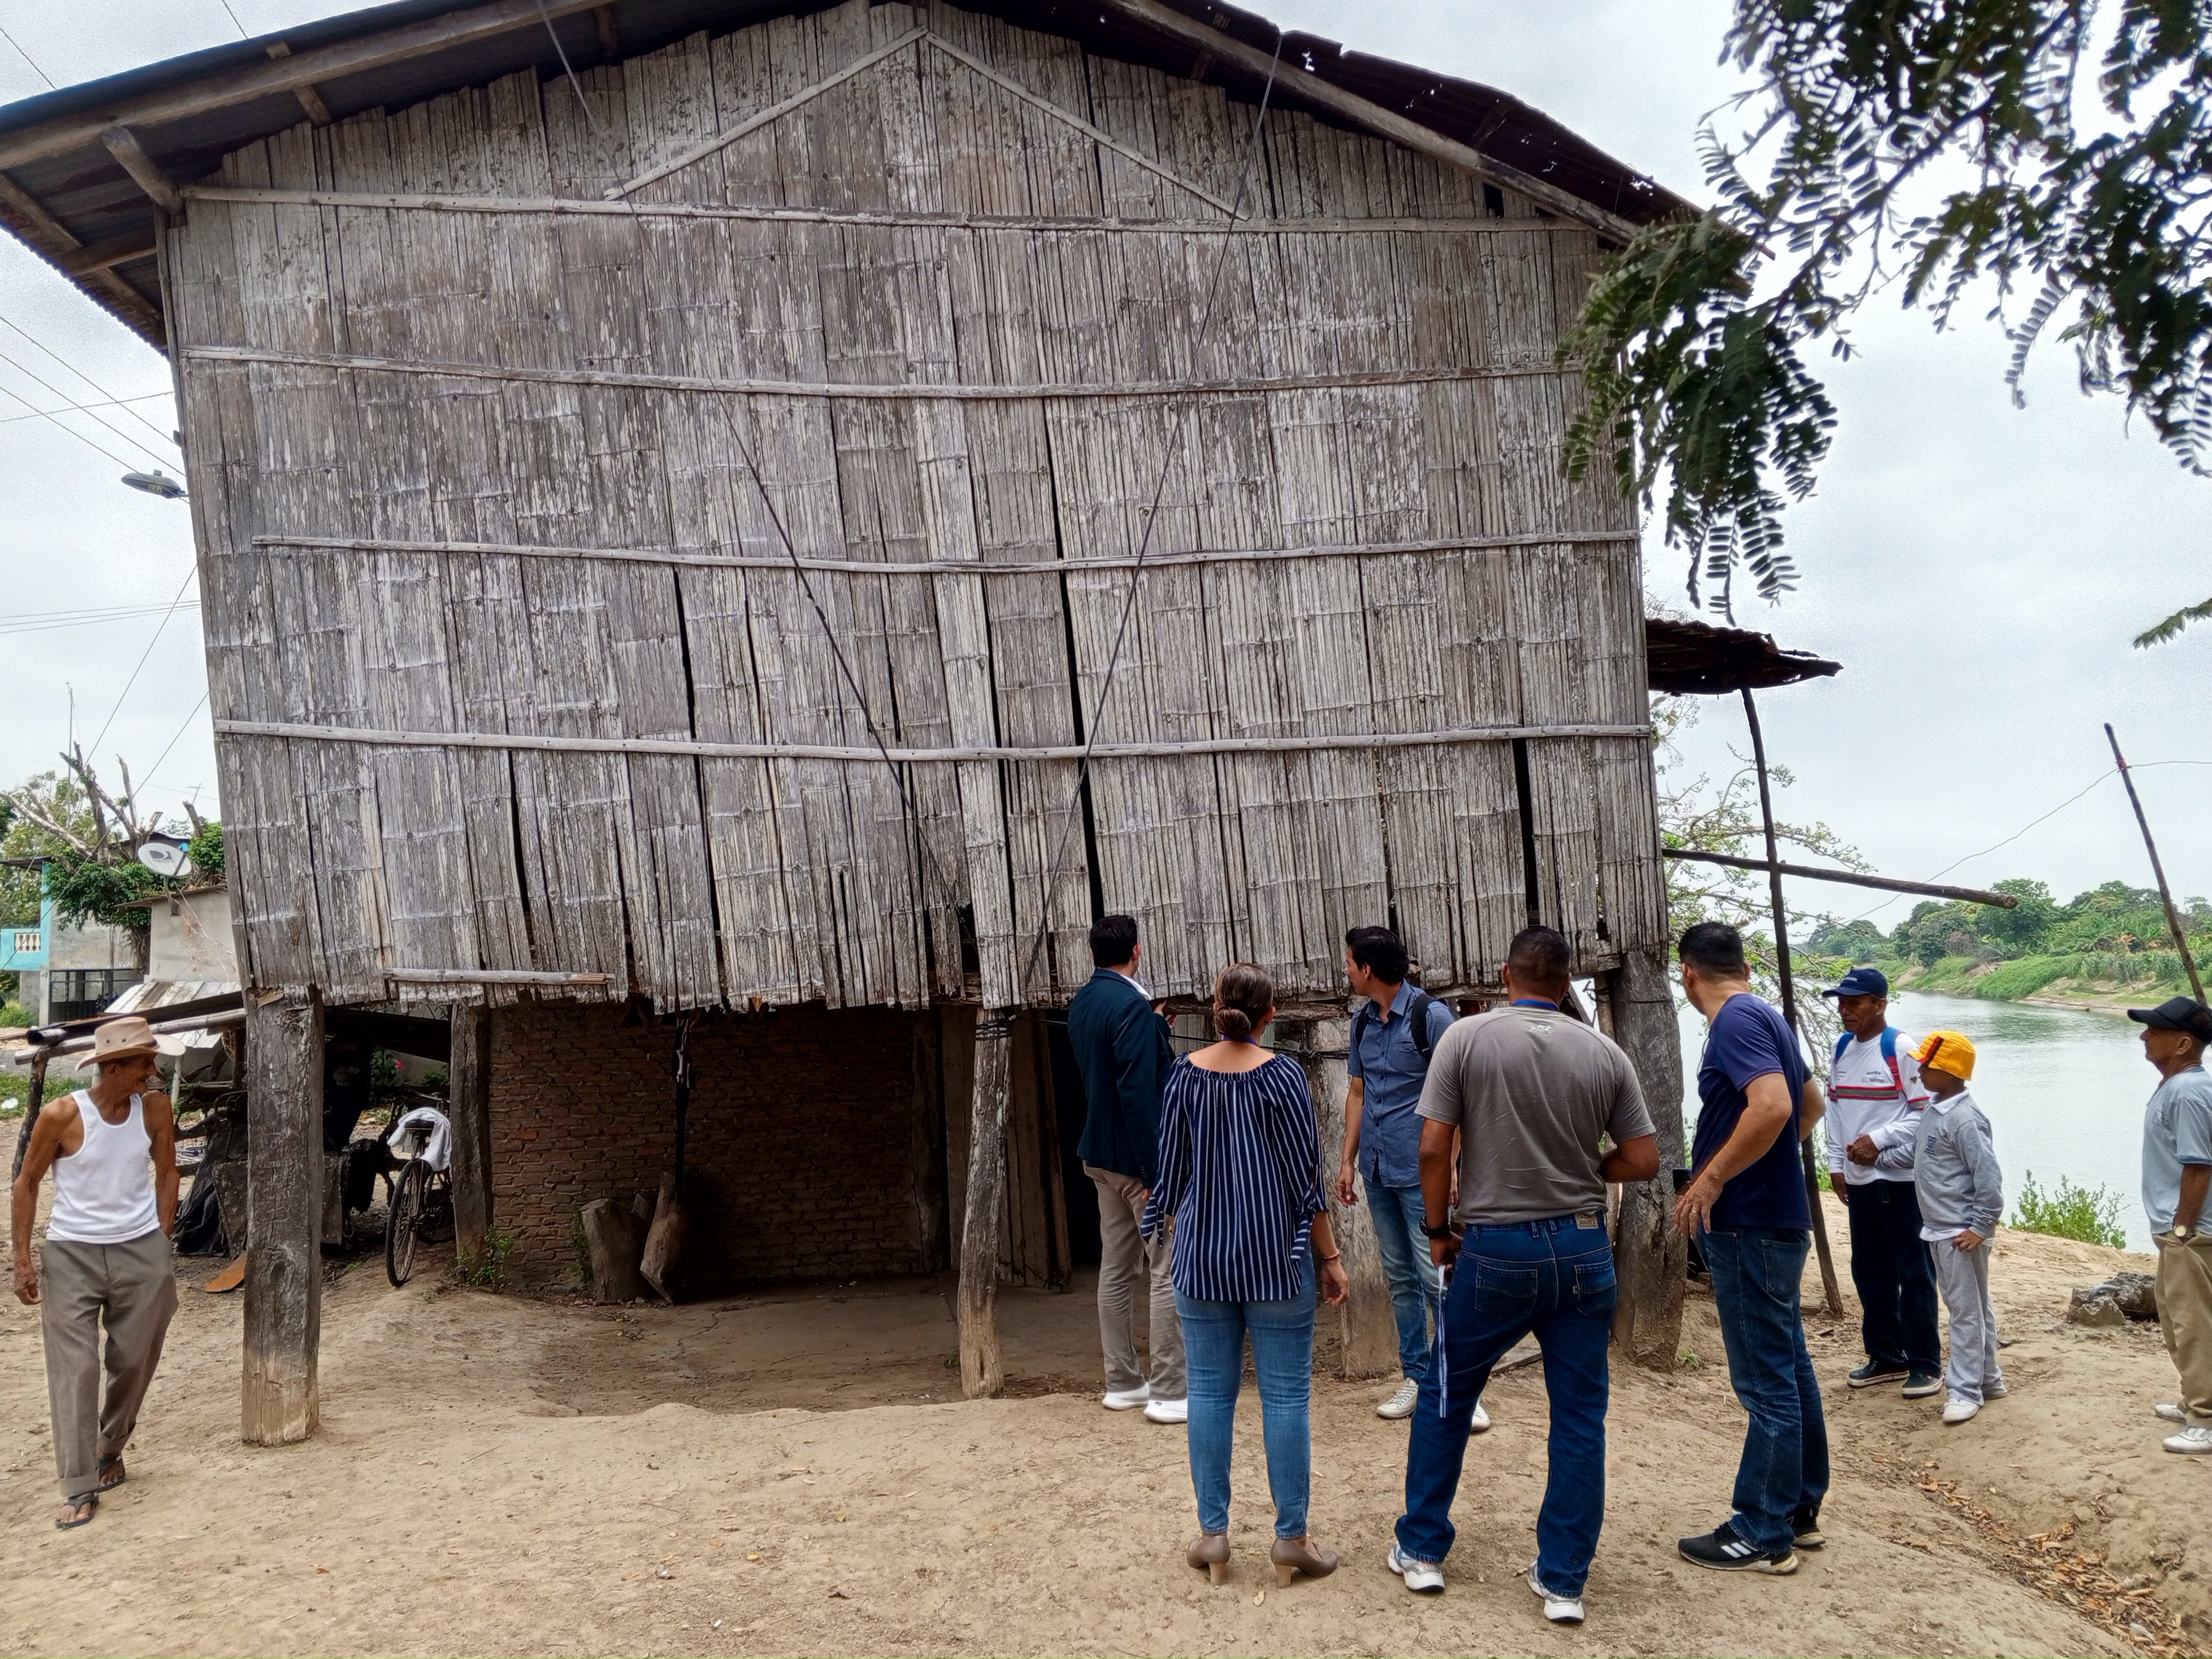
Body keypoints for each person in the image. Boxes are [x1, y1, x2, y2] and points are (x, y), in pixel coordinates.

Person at [1386, 926, 1659, 1626]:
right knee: (1578, 1416)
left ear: (1504, 975)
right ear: (1566, 984)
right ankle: (1563, 1581)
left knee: (1447, 1395)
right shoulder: (1603, 1052)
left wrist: (1437, 1232)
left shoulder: (1465, 1039)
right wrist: (1586, 1169)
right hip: (1582, 1250)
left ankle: (1421, 1550)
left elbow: (1431, 1149)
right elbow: (1642, 1158)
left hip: (1495, 1249)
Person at [1142, 962, 1350, 1588]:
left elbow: (1169, 1173)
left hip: (1201, 1258)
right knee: (1285, 1397)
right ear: (1270, 1014)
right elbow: (1305, 1183)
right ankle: (1291, 1539)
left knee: (1208, 1394)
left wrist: (1173, 1236)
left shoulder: (1183, 1075)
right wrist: (1330, 1258)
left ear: (1214, 1009)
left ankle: (1212, 1536)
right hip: (1277, 1257)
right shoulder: (1283, 1076)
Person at [1673, 921, 1829, 1575]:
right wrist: (1764, 1167)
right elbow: (1810, 1104)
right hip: (1774, 1219)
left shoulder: (1734, 1022)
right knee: (1788, 1366)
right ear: (1741, 965)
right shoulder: (1766, 1016)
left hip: (1748, 1225)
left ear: (1687, 974)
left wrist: (1713, 1179)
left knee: (1764, 1381)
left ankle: (1762, 1529)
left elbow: (1771, 1107)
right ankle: (1797, 1508)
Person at [10, 1016, 183, 1529]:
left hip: (140, 1250)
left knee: (134, 1359)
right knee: (76, 1370)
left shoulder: (154, 1108)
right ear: (113, 1068)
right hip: (72, 1255)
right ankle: (78, 1483)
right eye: (144, 1063)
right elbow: (25, 1184)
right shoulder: (62, 1115)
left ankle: (109, 1446)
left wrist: (162, 1236)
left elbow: (168, 1170)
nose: (152, 1071)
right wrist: (23, 1260)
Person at [1334, 925, 1467, 1423]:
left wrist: (1451, 1167)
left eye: (1350, 963)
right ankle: (1416, 1376)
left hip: (1421, 1174)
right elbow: (1358, 1093)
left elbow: (1458, 1099)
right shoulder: (1361, 1023)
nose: (1347, 971)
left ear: (1368, 969)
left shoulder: (1432, 1017)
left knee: (1438, 1278)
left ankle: (1458, 1382)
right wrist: (1347, 1161)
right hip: (1377, 1170)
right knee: (1400, 1277)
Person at [1068, 914, 1184, 1424]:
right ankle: (1170, 1390)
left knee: (1116, 1269)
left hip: (1099, 1155)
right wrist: (1157, 1172)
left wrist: (1153, 1028)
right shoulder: (1132, 1006)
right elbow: (1138, 1094)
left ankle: (1123, 1382)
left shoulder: (1085, 1001)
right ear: (1137, 951)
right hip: (1137, 1163)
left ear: (1093, 953)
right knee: (1166, 1268)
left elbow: (1106, 1065)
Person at [1820, 967, 1942, 1399]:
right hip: (1860, 1182)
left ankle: (1925, 1363)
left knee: (1914, 1271)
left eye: (1855, 1002)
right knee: (1869, 1270)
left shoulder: (1900, 1049)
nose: (1845, 1010)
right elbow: (1835, 1110)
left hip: (1900, 1181)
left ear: (1880, 1004)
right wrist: (1836, 1164)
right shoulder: (1841, 1048)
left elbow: (1925, 1112)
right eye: (1841, 1002)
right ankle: (1886, 1355)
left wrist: (1879, 1139)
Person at [1906, 1031, 2006, 1425]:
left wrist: (1980, 1226)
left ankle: (1965, 1390)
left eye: (1926, 1065)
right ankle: (1988, 1379)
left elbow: (1989, 1178)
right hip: (1940, 1227)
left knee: (1964, 1312)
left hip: (1960, 1232)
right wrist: (1876, 1156)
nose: (1920, 1071)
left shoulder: (1965, 1119)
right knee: (1975, 1305)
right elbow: (1919, 1153)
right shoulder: (1935, 1110)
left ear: (1948, 1072)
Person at [2132, 996, 2212, 1453]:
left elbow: (2198, 1166)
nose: (2144, 1036)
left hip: (2191, 1233)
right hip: (2179, 1230)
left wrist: (2183, 1230)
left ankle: (2206, 1417)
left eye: (2155, 1031)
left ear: (2183, 1043)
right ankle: (2194, 1401)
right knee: (2177, 1322)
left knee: (2194, 1326)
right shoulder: (2179, 1086)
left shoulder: (2187, 1092)